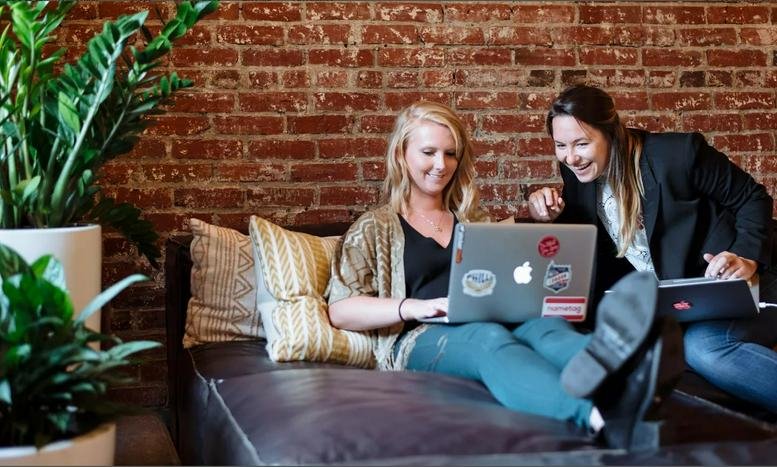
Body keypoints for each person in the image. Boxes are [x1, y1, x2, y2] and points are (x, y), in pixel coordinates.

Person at [328, 101, 684, 450]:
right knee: (487, 339)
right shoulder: (375, 226)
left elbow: (510, 276)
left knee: (549, 329)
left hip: (493, 317)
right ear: (401, 155)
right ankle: (602, 417)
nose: (441, 165)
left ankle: (632, 368)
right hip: (420, 336)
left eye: (450, 154)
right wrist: (414, 307)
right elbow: (341, 309)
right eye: (429, 152)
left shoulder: (473, 219)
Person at [528, 84, 777, 415]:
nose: (570, 156)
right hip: (677, 305)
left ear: (611, 132)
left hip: (739, 289)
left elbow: (753, 198)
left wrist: (746, 256)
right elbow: (586, 246)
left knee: (704, 348)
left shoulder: (678, 155)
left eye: (582, 143)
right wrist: (548, 217)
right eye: (560, 145)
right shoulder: (577, 174)